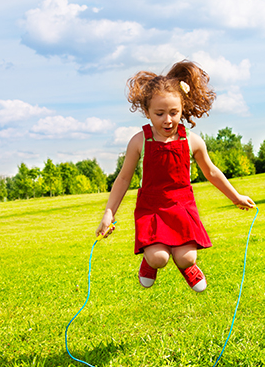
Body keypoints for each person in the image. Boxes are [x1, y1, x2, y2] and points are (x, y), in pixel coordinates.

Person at [96, 60, 255, 292]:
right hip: (151, 207)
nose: (167, 120)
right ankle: (149, 262)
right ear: (147, 112)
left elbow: (211, 172)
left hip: (181, 206)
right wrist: (109, 213)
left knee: (186, 257)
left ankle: (187, 267)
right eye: (159, 114)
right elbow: (122, 179)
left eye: (174, 113)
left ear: (183, 109)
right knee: (159, 257)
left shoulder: (192, 141)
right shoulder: (140, 141)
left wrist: (236, 197)